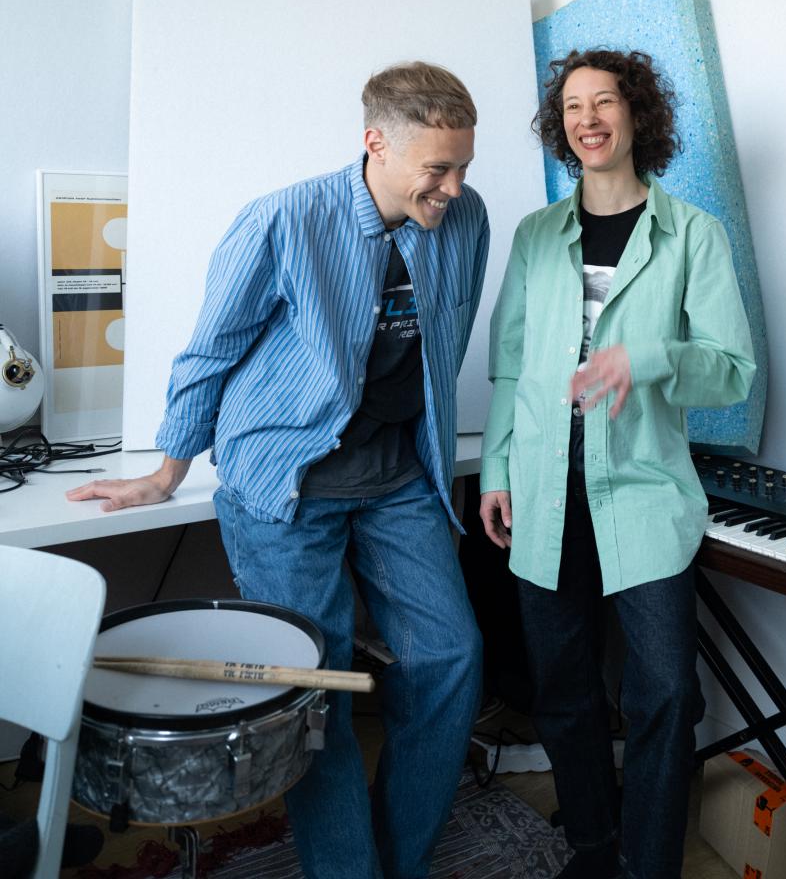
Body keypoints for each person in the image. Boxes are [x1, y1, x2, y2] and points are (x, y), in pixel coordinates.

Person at [68, 61, 489, 879]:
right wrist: (166, 473)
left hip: (397, 474)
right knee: (314, 693)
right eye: (438, 168)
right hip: (285, 479)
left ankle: (402, 861)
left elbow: (446, 337)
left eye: (464, 166)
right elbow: (211, 350)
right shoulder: (283, 219)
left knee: (451, 656)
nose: (454, 187)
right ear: (375, 144)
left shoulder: (465, 217)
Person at [479, 48, 755, 879]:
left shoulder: (694, 234)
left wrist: (651, 356)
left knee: (665, 692)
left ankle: (649, 862)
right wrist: (495, 471)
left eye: (604, 102)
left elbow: (732, 371)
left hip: (641, 488)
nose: (588, 119)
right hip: (542, 486)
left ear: (637, 114)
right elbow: (510, 365)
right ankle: (594, 850)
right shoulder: (536, 236)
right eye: (573, 107)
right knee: (564, 690)